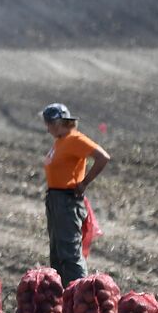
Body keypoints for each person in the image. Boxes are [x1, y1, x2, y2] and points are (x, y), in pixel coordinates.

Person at [40, 103, 111, 285]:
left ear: (57, 122)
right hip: (55, 200)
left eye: (48, 124)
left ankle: (79, 295)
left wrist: (84, 182)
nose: (47, 129)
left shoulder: (75, 139)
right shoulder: (60, 141)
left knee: (69, 254)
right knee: (57, 252)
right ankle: (62, 299)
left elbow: (103, 157)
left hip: (67, 201)